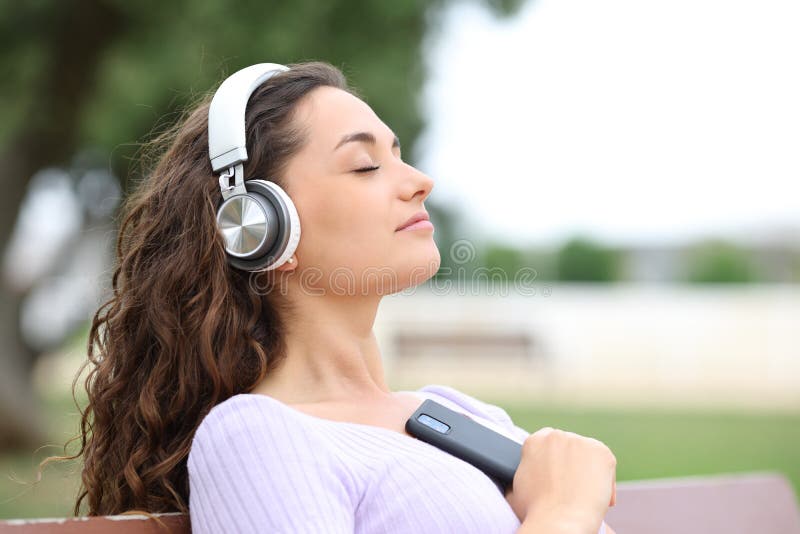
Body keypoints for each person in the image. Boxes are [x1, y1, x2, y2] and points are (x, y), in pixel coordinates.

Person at [64, 61, 617, 533]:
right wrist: (562, 513)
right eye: (366, 165)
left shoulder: (458, 415)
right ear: (256, 226)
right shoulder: (256, 438)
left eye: (400, 155)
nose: (420, 180)